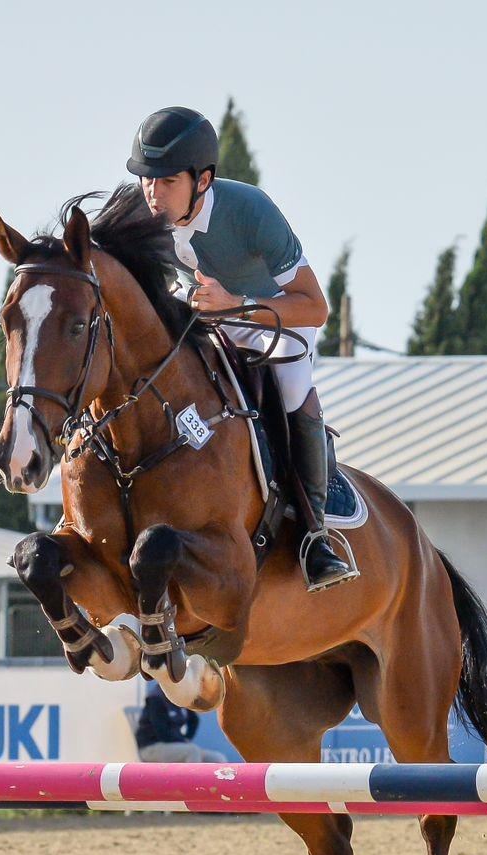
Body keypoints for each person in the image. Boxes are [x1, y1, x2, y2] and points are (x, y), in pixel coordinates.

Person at [127, 106, 358, 592]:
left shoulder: (250, 210)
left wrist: (238, 305)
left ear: (203, 179)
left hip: (274, 322)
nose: (152, 192)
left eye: (166, 180)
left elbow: (316, 308)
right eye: (147, 179)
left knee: (293, 392)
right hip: (207, 322)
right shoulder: (142, 217)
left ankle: (316, 536)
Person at [133, 689, 229, 764]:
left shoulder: (179, 698)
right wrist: (183, 741)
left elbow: (193, 720)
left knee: (218, 758)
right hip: (152, 747)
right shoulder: (156, 699)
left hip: (174, 744)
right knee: (192, 751)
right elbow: (163, 733)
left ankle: (218, 789)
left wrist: (187, 737)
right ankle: (193, 788)